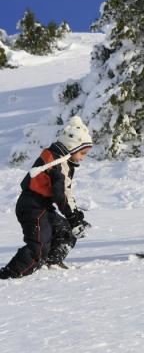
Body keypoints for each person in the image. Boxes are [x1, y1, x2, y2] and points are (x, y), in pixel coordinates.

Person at [0, 116, 93, 279]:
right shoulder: (56, 162)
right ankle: (9, 274)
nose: (83, 157)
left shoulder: (62, 160)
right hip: (32, 207)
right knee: (38, 247)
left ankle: (50, 263)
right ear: (72, 147)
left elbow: (66, 192)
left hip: (43, 207)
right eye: (82, 152)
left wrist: (75, 217)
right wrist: (73, 218)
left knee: (66, 232)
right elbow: (60, 194)